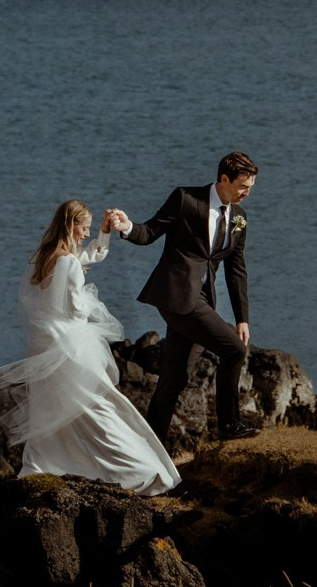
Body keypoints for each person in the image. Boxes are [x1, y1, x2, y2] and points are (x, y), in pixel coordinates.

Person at [0, 200, 181, 495]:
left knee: (52, 412)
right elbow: (75, 309)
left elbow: (86, 257)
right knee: (102, 408)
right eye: (83, 228)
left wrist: (104, 234)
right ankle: (142, 472)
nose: (85, 234)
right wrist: (89, 298)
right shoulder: (68, 262)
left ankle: (42, 466)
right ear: (70, 226)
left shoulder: (44, 256)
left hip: (44, 346)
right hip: (70, 348)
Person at [103, 150, 258, 446]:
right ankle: (229, 424)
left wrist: (242, 318)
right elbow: (149, 232)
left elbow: (236, 270)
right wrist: (126, 227)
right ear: (224, 179)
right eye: (242, 187)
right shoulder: (186, 199)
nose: (247, 194)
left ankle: (149, 449)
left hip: (201, 300)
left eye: (251, 188)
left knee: (173, 381)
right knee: (234, 351)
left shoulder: (239, 218)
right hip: (176, 297)